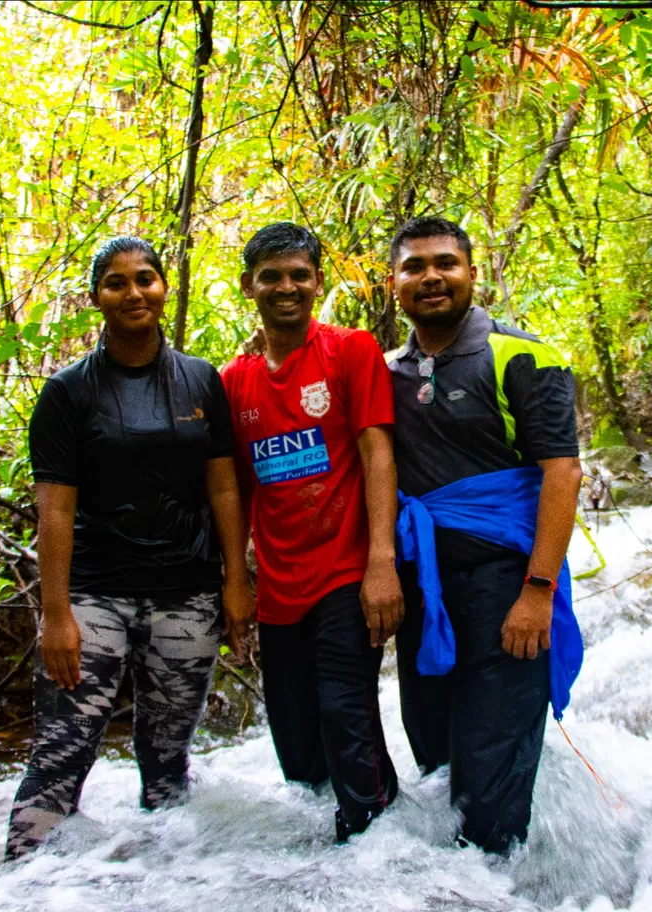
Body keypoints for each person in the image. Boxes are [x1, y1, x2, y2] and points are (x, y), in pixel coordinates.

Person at [8, 236, 253, 859]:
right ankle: (23, 885)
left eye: (146, 278)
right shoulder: (68, 392)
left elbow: (223, 486)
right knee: (62, 750)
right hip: (95, 593)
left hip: (187, 593)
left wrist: (235, 579)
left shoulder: (200, 380)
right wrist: (55, 614)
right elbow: (55, 509)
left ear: (164, 288)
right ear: (97, 298)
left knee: (168, 763)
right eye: (117, 283)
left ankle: (159, 883)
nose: (134, 292)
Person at [385, 216, 584, 854]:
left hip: (506, 588)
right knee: (437, 762)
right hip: (425, 595)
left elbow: (563, 472)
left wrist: (538, 592)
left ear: (473, 272)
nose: (431, 277)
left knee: (490, 788)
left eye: (446, 263)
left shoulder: (522, 355)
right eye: (415, 267)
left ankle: (495, 885)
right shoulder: (384, 370)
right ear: (394, 285)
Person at [220, 222, 402, 841]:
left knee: (345, 712)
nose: (287, 287)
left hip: (347, 574)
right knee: (297, 746)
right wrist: (236, 583)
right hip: (278, 584)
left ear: (319, 282)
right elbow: (237, 488)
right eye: (271, 276)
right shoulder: (233, 382)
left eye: (300, 274)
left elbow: (378, 455)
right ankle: (349, 834)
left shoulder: (351, 351)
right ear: (249, 286)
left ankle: (372, 850)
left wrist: (382, 563)